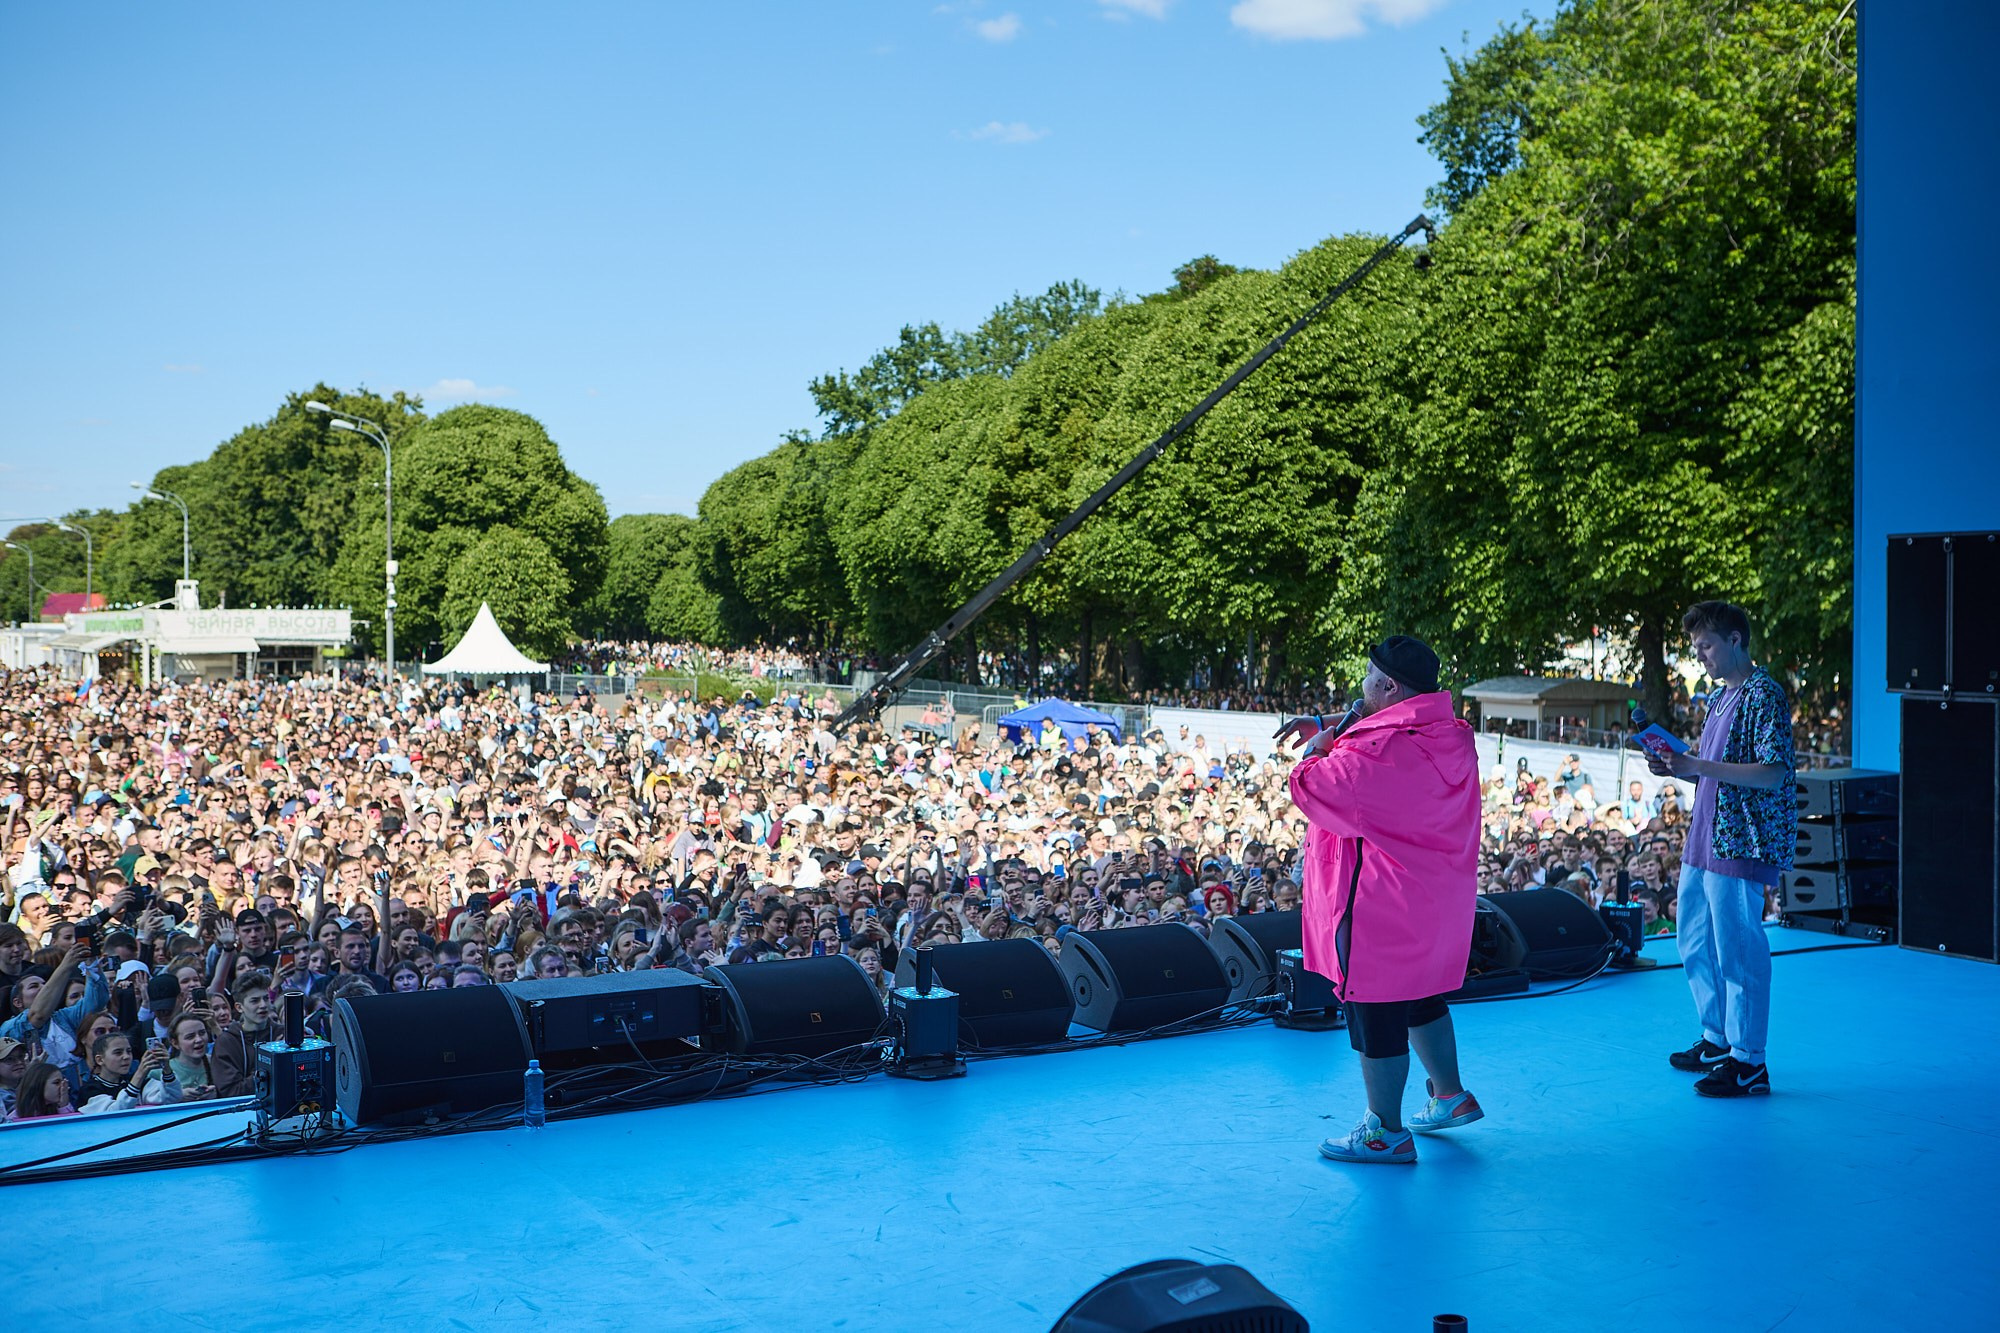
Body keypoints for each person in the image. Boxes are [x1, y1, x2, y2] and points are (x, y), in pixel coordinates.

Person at [1279, 636, 1483, 1165]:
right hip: (1433, 903)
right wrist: (1341, 725)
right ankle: (1449, 1094)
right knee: (1420, 995)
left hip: (1380, 907)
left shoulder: (1374, 755)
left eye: (1369, 677)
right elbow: (1388, 735)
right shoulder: (1450, 735)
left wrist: (1319, 747)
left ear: (1388, 685)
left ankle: (1384, 1132)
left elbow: (1310, 787)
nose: (1360, 685)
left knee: (1375, 1009)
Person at [1647, 601, 1794, 1098]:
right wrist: (1677, 766)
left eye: (1707, 645)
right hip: (1705, 833)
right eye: (1696, 648)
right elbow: (1707, 765)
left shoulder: (1764, 694)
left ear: (1736, 640)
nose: (1701, 655)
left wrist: (1699, 766)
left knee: (1739, 948)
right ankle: (1718, 1038)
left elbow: (1773, 773)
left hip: (1742, 838)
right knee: (1693, 938)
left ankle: (1750, 1060)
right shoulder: (1718, 698)